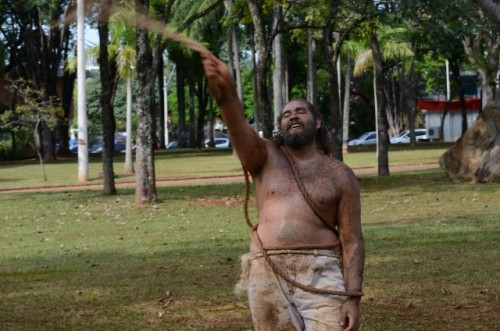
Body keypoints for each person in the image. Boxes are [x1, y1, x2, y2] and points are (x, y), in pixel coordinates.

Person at [202, 53, 365, 331]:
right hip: (267, 269)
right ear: (281, 126)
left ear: (317, 122)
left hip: (321, 270)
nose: (292, 116)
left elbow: (351, 241)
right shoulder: (264, 156)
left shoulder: (340, 174)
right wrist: (226, 96)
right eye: (286, 115)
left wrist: (353, 298)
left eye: (300, 111)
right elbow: (239, 128)